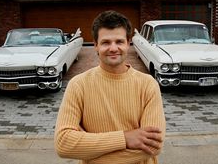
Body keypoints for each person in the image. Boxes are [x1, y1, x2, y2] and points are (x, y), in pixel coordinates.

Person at [54, 10, 166, 164]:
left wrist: (88, 150)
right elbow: (64, 144)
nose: (113, 48)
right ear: (95, 45)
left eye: (119, 41)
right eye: (106, 42)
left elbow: (152, 147)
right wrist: (125, 138)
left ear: (128, 43)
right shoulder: (78, 85)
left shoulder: (148, 85)